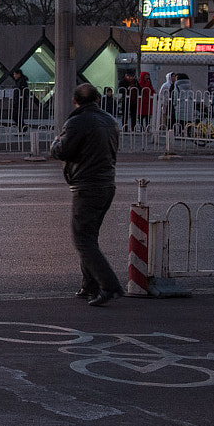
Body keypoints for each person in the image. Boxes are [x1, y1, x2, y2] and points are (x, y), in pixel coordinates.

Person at [49, 83, 126, 307]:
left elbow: (62, 151)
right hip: (106, 184)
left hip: (87, 186)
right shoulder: (109, 121)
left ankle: (109, 286)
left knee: (82, 239)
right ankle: (89, 285)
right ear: (98, 99)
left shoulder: (77, 122)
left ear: (75, 101)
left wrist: (55, 142)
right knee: (89, 237)